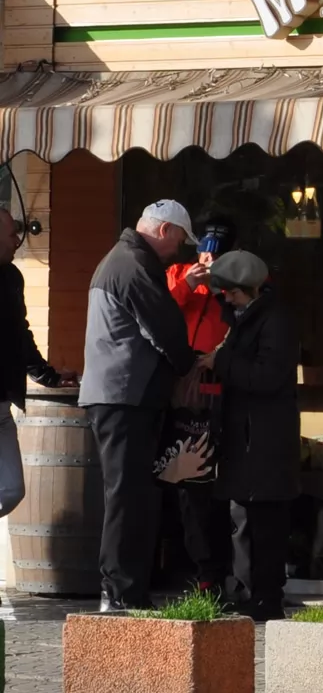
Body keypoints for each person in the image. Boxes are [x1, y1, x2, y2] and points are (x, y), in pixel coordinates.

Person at [80, 200, 199, 612]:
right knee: (128, 495)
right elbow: (164, 326)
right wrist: (190, 363)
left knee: (131, 494)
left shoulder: (121, 259)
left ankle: (123, 590)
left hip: (119, 394)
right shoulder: (134, 264)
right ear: (164, 230)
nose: (179, 251)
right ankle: (120, 593)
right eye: (180, 240)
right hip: (124, 395)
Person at [198, 250, 299, 622]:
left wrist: (220, 362)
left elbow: (266, 376)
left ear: (250, 289)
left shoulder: (275, 320)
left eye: (231, 292)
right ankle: (249, 592)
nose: (225, 298)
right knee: (244, 519)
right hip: (247, 438)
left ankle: (267, 600)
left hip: (264, 439)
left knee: (266, 525)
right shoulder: (246, 317)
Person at [166, 215, 238, 596]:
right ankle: (199, 571)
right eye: (205, 249)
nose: (209, 259)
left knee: (222, 487)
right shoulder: (178, 274)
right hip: (185, 398)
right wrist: (188, 284)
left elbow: (246, 320)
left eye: (218, 251)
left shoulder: (241, 280)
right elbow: (158, 313)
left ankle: (228, 569)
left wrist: (222, 288)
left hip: (225, 397)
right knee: (187, 485)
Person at [0, 209, 76, 521]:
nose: (17, 241)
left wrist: (48, 375)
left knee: (11, 489)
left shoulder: (11, 277)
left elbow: (20, 333)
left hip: (3, 404)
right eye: (10, 235)